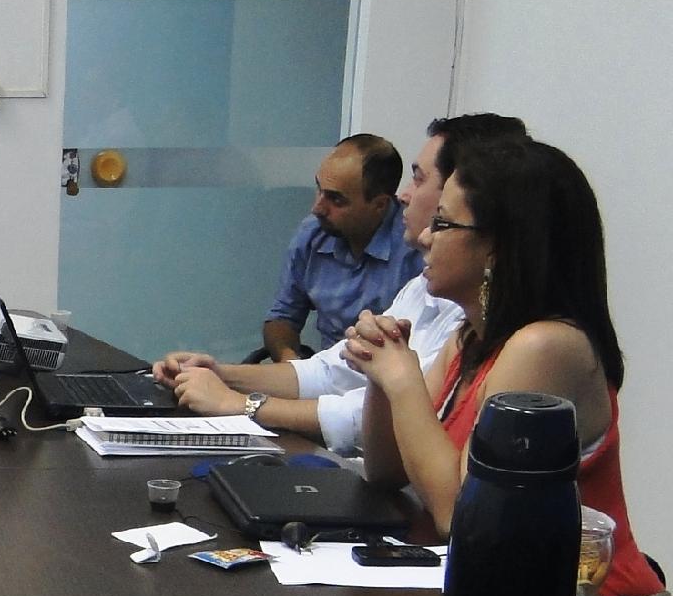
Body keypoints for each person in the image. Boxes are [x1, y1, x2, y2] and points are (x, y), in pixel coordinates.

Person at [342, 139, 667, 596]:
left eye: (443, 223)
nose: (424, 237)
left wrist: (402, 379)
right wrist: (380, 367)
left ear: (496, 245)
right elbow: (386, 472)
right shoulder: (469, 339)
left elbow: (461, 516)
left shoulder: (546, 346)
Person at [154, 115, 526, 449]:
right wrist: (219, 374)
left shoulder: (487, 320)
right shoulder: (423, 287)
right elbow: (332, 371)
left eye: (419, 178)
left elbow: (369, 419)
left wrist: (237, 403)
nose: (405, 194)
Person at [260, 134, 424, 362]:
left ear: (379, 205)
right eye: (319, 190)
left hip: (392, 373)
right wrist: (291, 362)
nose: (317, 208)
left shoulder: (415, 246)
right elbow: (283, 316)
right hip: (326, 371)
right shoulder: (313, 233)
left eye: (336, 199)